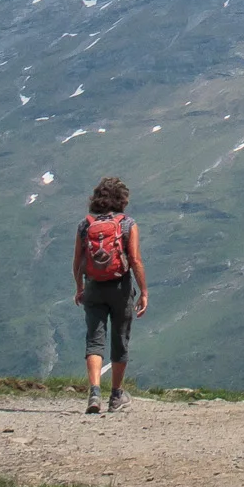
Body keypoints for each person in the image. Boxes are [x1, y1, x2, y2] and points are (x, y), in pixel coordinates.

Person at [73, 175, 148, 413]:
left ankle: (94, 393)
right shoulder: (128, 223)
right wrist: (143, 291)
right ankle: (116, 395)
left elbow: (78, 261)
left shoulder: (85, 225)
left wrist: (80, 287)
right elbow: (135, 260)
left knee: (94, 340)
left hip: (93, 286)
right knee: (120, 338)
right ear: (122, 199)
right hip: (120, 287)